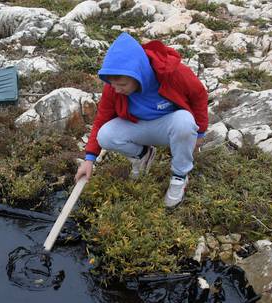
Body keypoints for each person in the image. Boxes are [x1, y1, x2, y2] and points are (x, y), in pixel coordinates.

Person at [74, 32, 208, 208]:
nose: (117, 90)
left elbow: (199, 96)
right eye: (113, 85)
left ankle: (179, 176)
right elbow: (101, 120)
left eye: (122, 85)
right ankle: (143, 155)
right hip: (138, 126)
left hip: (169, 127)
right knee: (105, 134)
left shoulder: (174, 73)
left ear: (139, 75)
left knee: (185, 121)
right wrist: (89, 159)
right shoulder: (113, 89)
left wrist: (200, 132)